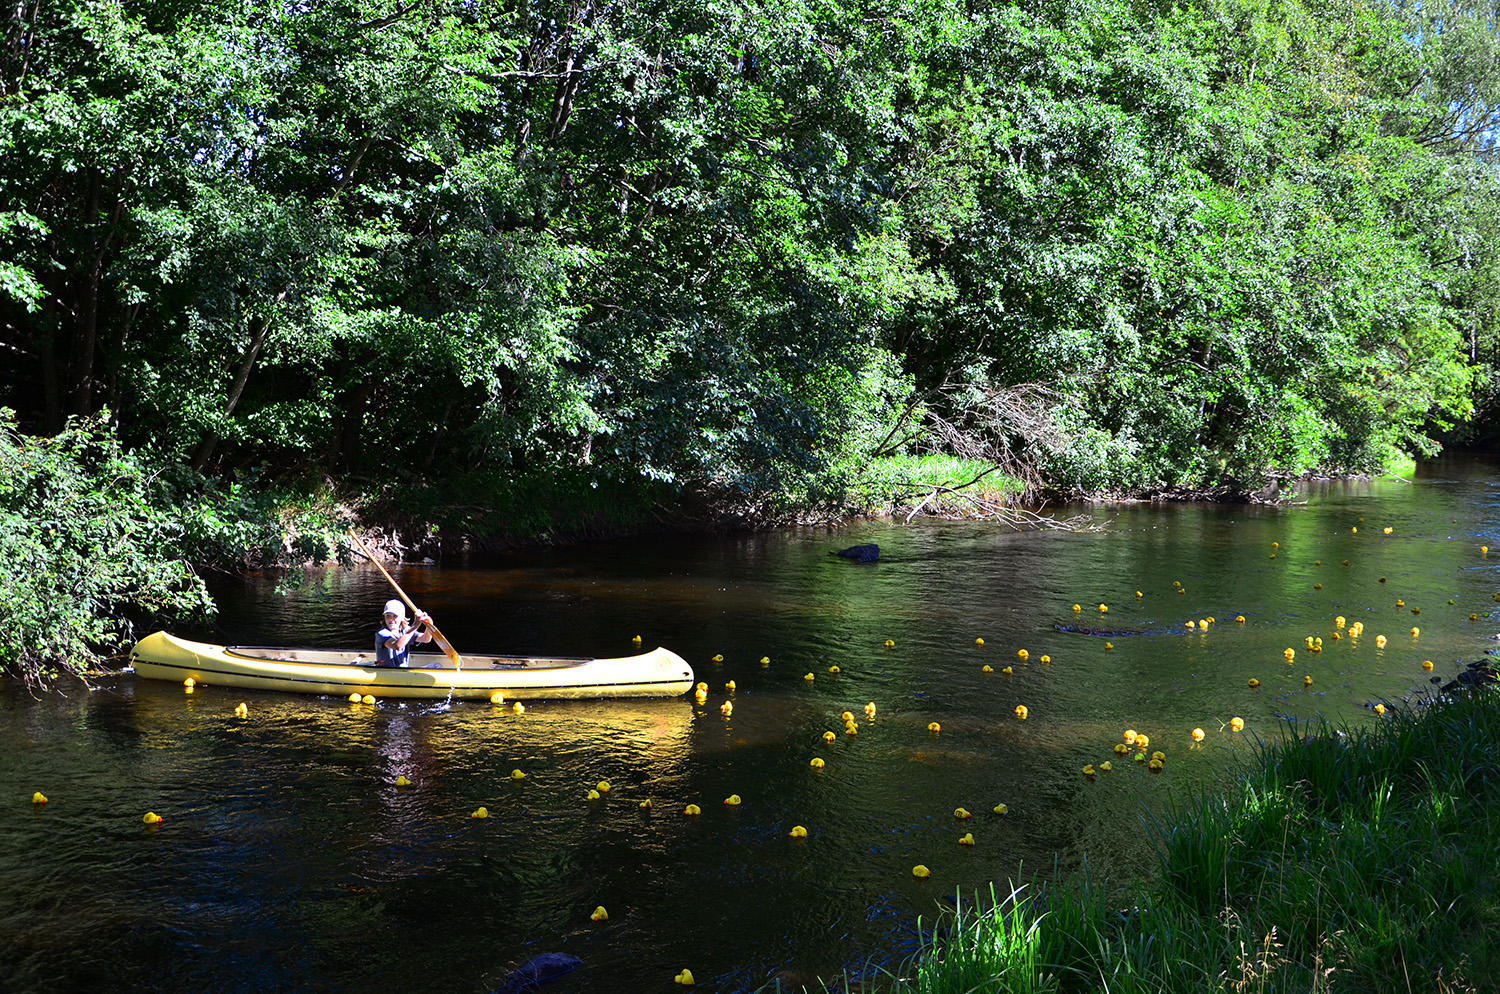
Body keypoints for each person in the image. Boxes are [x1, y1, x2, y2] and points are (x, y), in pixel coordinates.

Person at [375, 599, 434, 668]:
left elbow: (425, 639)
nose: (391, 619)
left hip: (403, 673)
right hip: (388, 674)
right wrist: (416, 624)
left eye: (395, 616)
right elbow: (398, 646)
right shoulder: (382, 634)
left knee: (436, 666)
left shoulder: (406, 631)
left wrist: (429, 625)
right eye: (388, 615)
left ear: (402, 617)